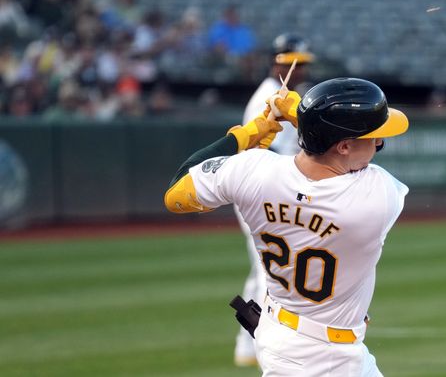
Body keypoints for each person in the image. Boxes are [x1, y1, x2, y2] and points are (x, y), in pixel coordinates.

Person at [164, 77, 409, 376]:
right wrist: (295, 110)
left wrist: (248, 134)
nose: (379, 142)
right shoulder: (376, 195)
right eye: (373, 137)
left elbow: (177, 193)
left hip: (283, 333)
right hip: (322, 358)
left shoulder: (254, 170)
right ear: (344, 146)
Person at [233, 33, 316, 367]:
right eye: (296, 63)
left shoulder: (281, 94)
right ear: (280, 63)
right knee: (270, 269)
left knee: (263, 269)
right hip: (261, 189)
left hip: (263, 187)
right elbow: (275, 152)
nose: (302, 70)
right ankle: (262, 341)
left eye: (304, 64)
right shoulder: (269, 97)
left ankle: (247, 345)